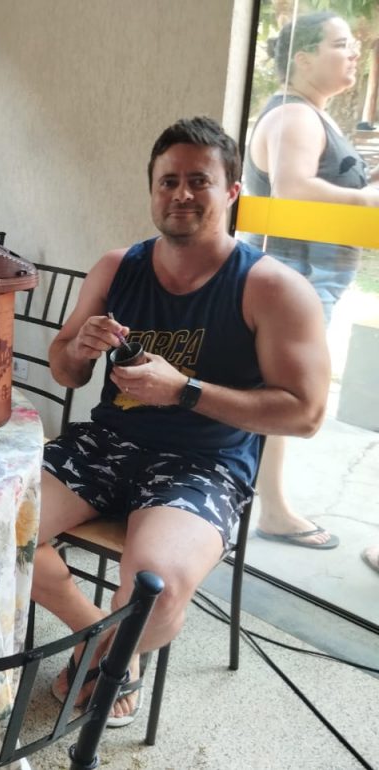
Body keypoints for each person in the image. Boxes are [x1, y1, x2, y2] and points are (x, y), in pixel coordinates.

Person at [30, 116, 329, 726]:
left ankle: (110, 655)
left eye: (200, 181)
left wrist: (185, 391)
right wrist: (79, 347)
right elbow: (65, 371)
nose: (182, 194)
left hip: (207, 462)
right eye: (169, 181)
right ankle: (102, 642)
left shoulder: (272, 287)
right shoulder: (117, 267)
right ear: (152, 190)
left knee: (156, 587)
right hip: (106, 442)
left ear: (232, 191)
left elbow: (306, 414)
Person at [242, 11, 379, 549]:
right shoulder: (295, 115)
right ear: (302, 58)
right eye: (340, 44)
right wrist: (365, 200)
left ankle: (270, 504)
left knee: (280, 388)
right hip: (297, 275)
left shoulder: (307, 113)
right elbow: (293, 187)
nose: (354, 53)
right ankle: (273, 509)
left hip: (308, 275)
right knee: (285, 391)